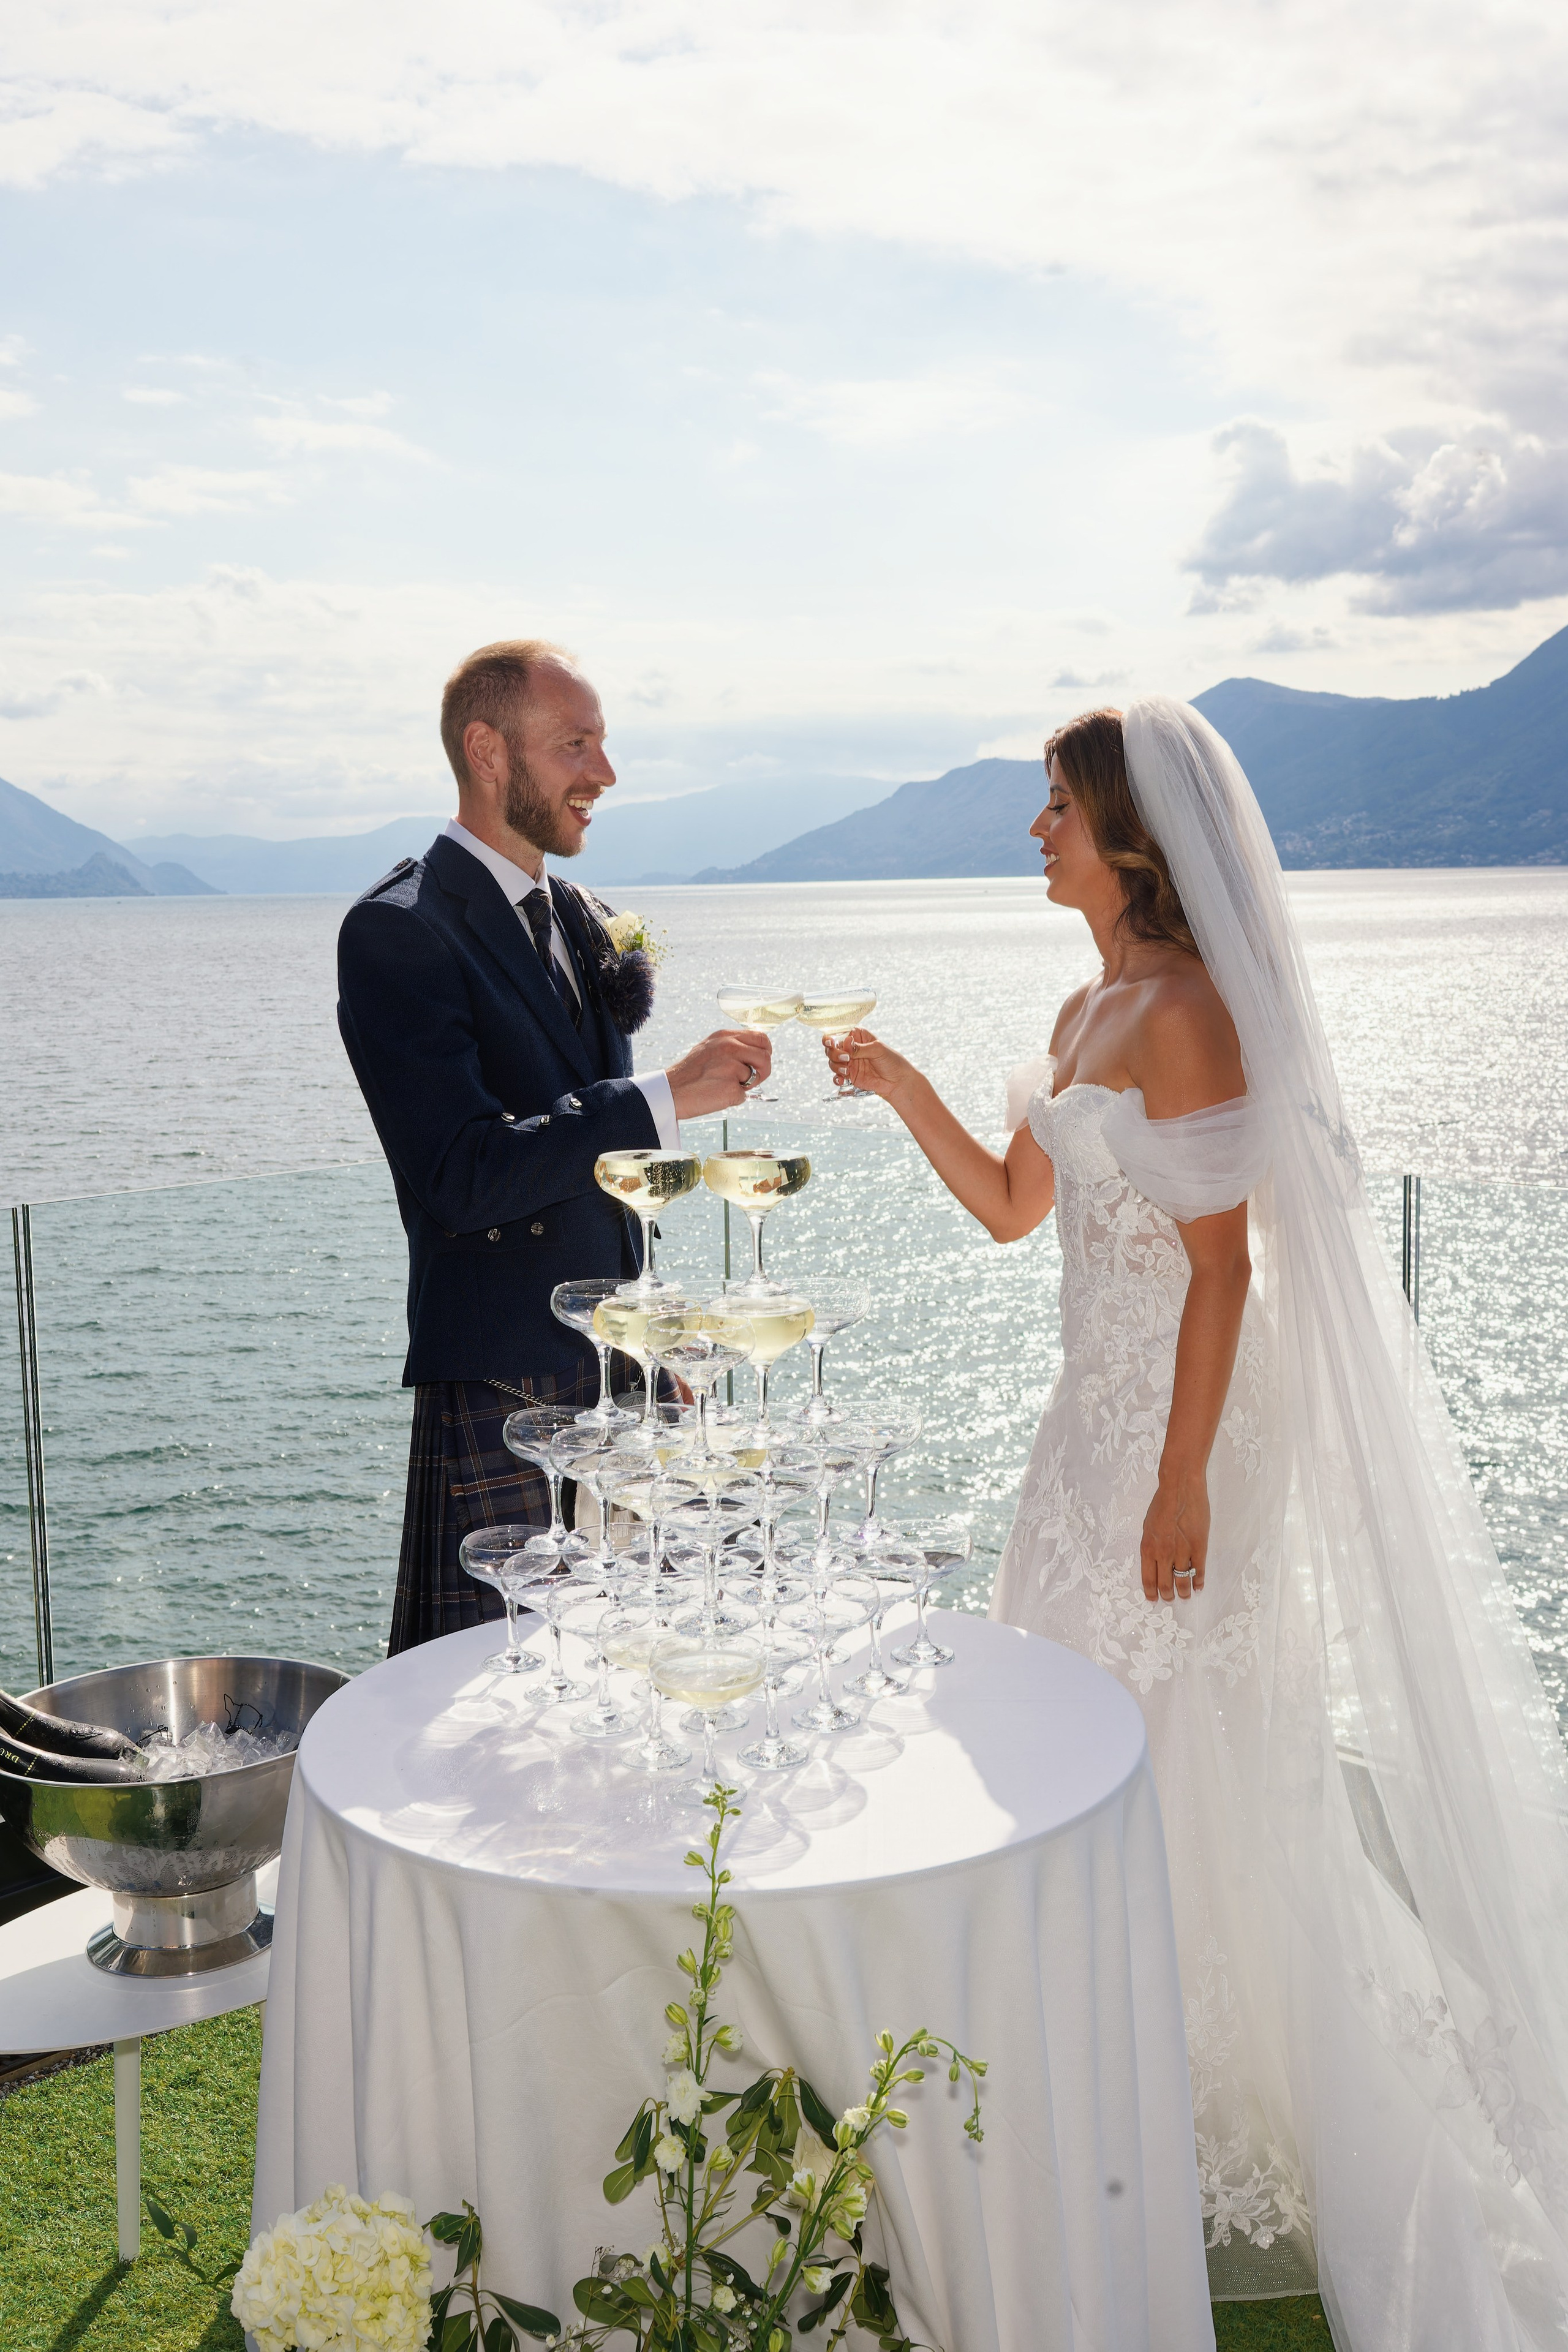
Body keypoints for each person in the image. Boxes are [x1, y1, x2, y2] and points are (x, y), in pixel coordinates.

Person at [827, 700, 1568, 2351]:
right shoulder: (1086, 1002)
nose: (1036, 833)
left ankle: (1185, 2082)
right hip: (1081, 1436)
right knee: (1082, 1737)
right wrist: (900, 1089)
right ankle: (1089, 2057)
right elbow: (1019, 1213)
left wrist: (1183, 1481)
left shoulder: (1190, 1016)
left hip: (1181, 1441)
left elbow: (1227, 1272)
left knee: (1180, 1744)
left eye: (1054, 810)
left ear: (1130, 836)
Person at [339, 638, 769, 1654]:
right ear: (488, 751)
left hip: (625, 1362)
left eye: (604, 744)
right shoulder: (399, 932)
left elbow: (575, 1139)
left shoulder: (578, 917)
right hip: (504, 1384)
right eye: (575, 745)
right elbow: (461, 1175)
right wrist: (658, 1098)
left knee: (667, 1661)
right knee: (495, 1703)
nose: (605, 775)